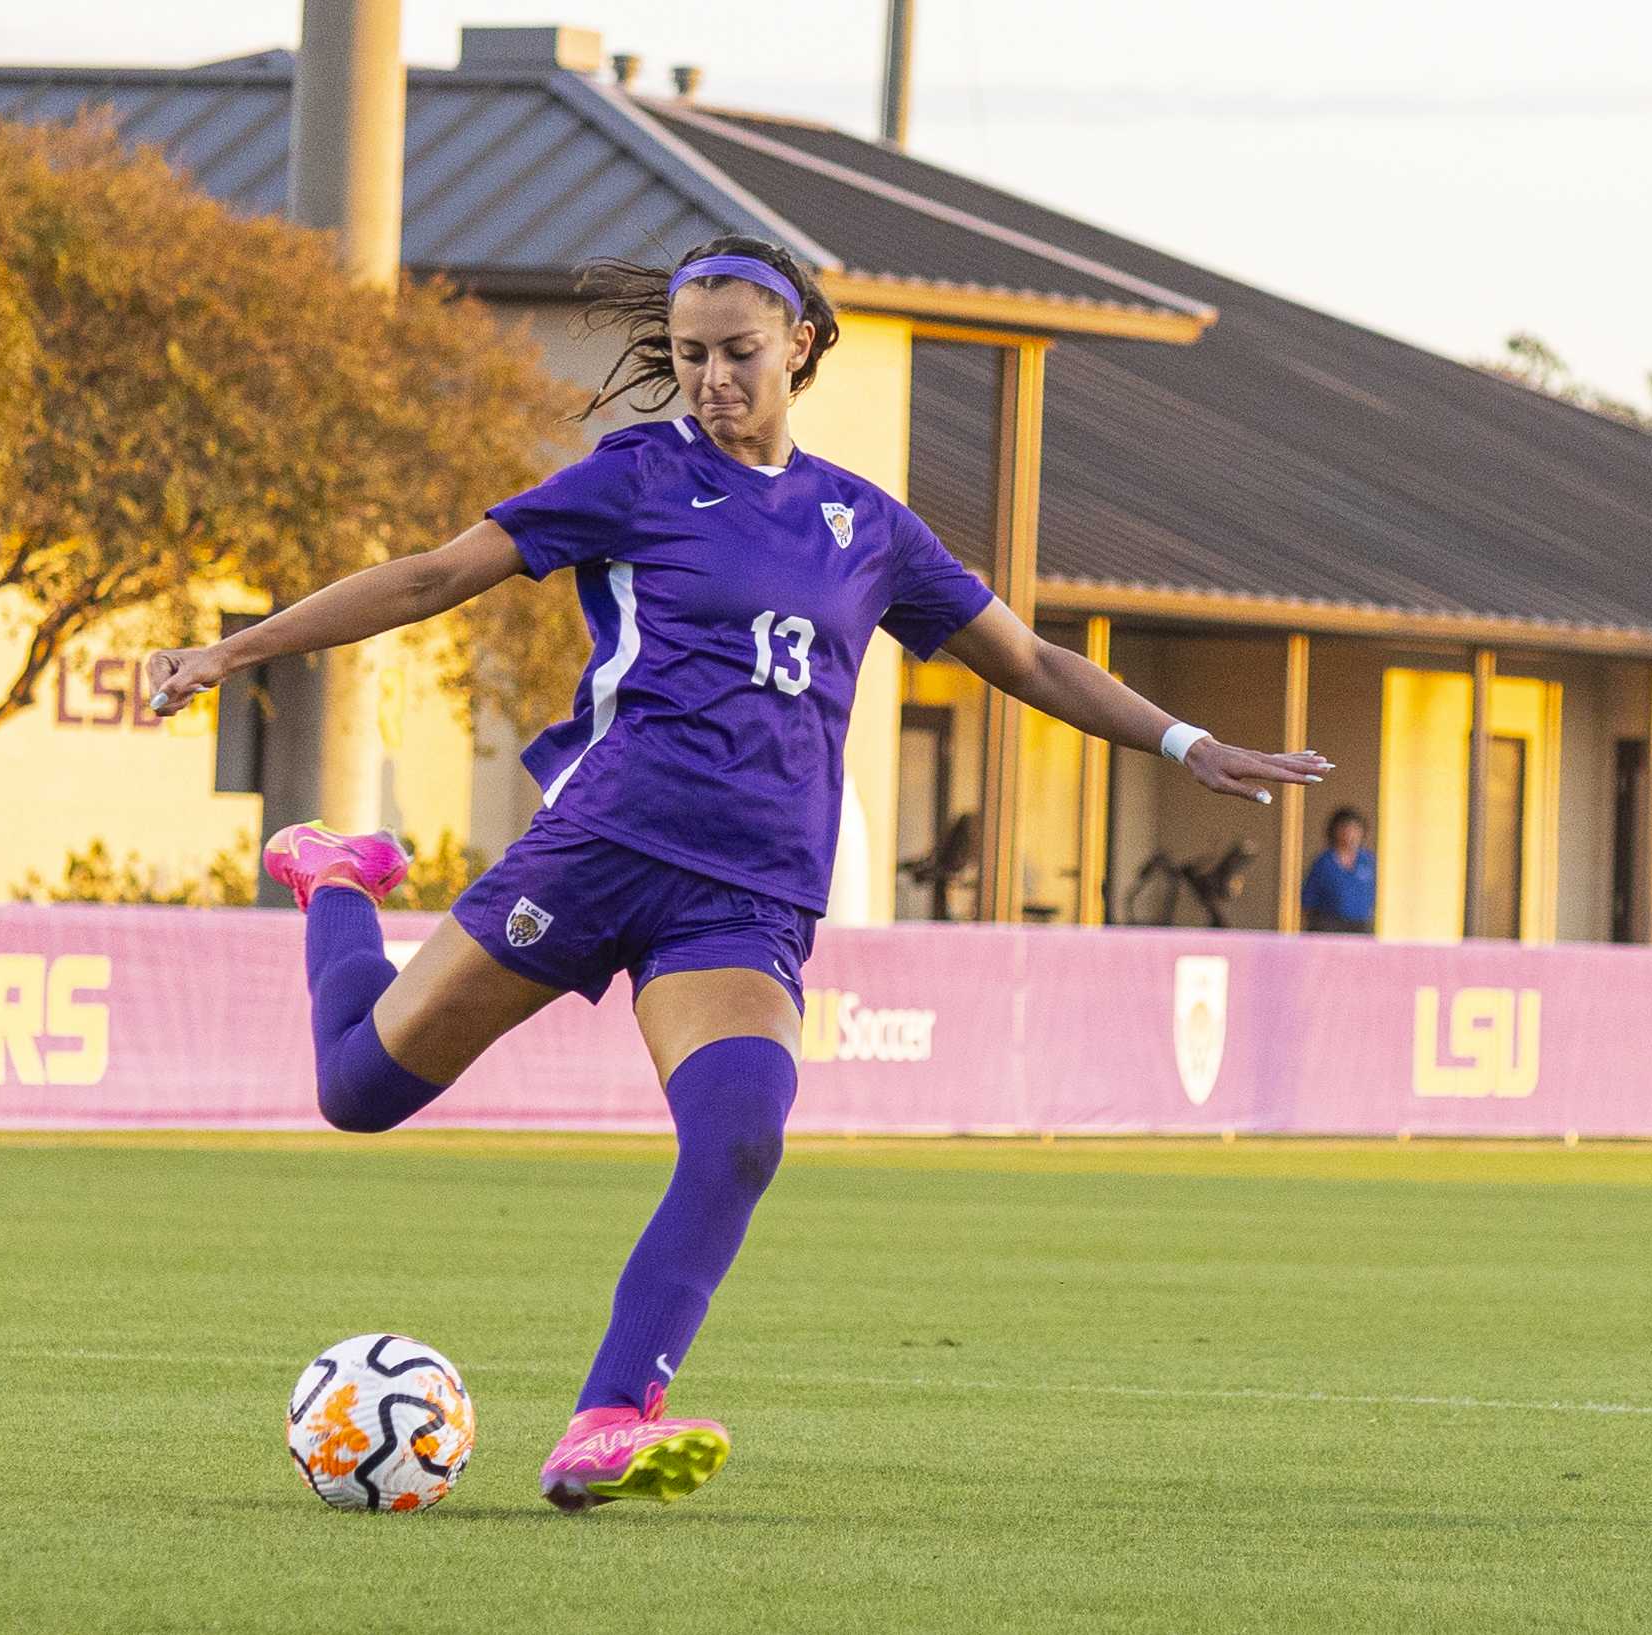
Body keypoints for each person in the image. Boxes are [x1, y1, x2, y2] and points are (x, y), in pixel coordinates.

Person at [141, 237, 1330, 1514]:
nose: (710, 378)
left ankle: (607, 1417)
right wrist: (237, 649)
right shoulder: (634, 478)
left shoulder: (865, 527)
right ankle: (334, 881)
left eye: (737, 354)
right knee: (357, 1093)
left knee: (742, 1132)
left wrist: (1187, 741)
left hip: (746, 897)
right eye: (693, 355)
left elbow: (1028, 662)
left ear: (801, 346)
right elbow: (436, 574)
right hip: (601, 851)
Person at [1300, 806, 1376, 934]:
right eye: (1345, 828)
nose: (1350, 833)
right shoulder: (1324, 862)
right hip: (1328, 926)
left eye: (1354, 828)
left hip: (1360, 926)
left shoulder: (1368, 861)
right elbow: (1308, 899)